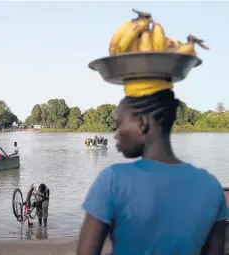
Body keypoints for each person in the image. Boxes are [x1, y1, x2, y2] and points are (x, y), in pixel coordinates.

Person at [77, 89, 228, 255]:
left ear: (142, 123)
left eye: (118, 125)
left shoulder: (113, 180)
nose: (115, 135)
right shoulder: (211, 186)